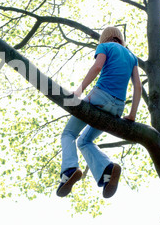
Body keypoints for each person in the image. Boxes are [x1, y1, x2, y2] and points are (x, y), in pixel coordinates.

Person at [56, 26, 142, 199]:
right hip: (118, 107)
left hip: (99, 97)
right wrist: (132, 114)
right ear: (120, 39)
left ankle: (69, 169)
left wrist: (79, 91)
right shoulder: (132, 57)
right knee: (85, 141)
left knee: (69, 133)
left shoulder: (105, 47)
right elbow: (137, 86)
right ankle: (107, 170)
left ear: (105, 38)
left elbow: (97, 68)